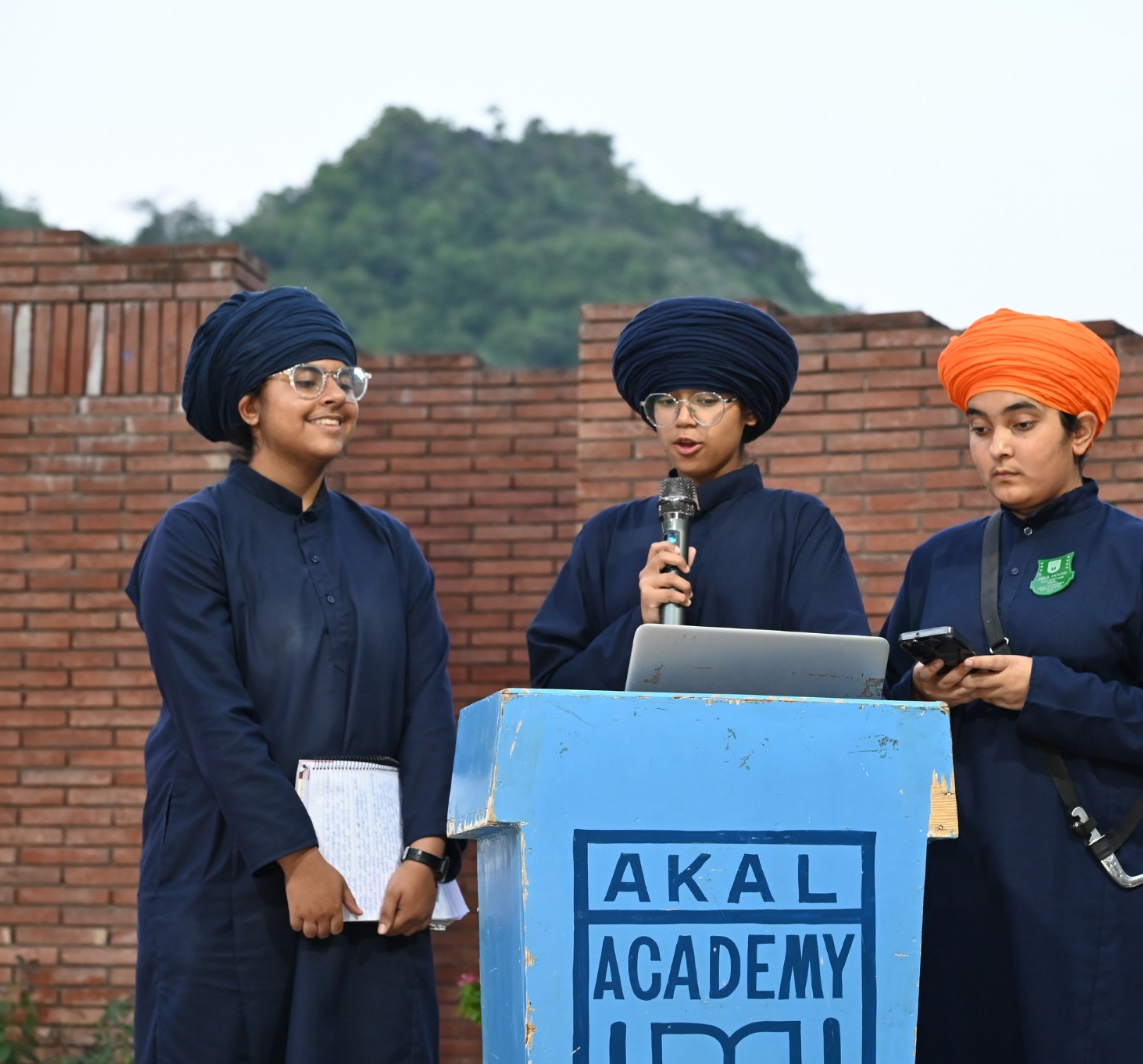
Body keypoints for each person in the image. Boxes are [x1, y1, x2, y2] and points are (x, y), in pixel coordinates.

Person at [126, 287, 458, 1063]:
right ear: (248, 405)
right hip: (227, 875)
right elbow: (213, 716)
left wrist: (426, 854)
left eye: (346, 379)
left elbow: (427, 706)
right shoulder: (193, 537)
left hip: (377, 880)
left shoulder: (390, 546)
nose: (335, 395)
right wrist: (296, 858)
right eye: (307, 378)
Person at [880, 308, 1143, 1064]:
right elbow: (877, 713)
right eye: (978, 427)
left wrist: (1042, 688)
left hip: (1093, 883)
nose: (997, 447)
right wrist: (921, 695)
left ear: (1082, 431)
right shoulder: (940, 560)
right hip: (958, 885)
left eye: (1022, 422)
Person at [527, 296, 869, 689]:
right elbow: (550, 688)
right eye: (665, 402)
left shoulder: (797, 524)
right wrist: (640, 625)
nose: (683, 419)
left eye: (707, 401)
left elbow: (846, 677)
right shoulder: (606, 535)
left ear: (751, 411)